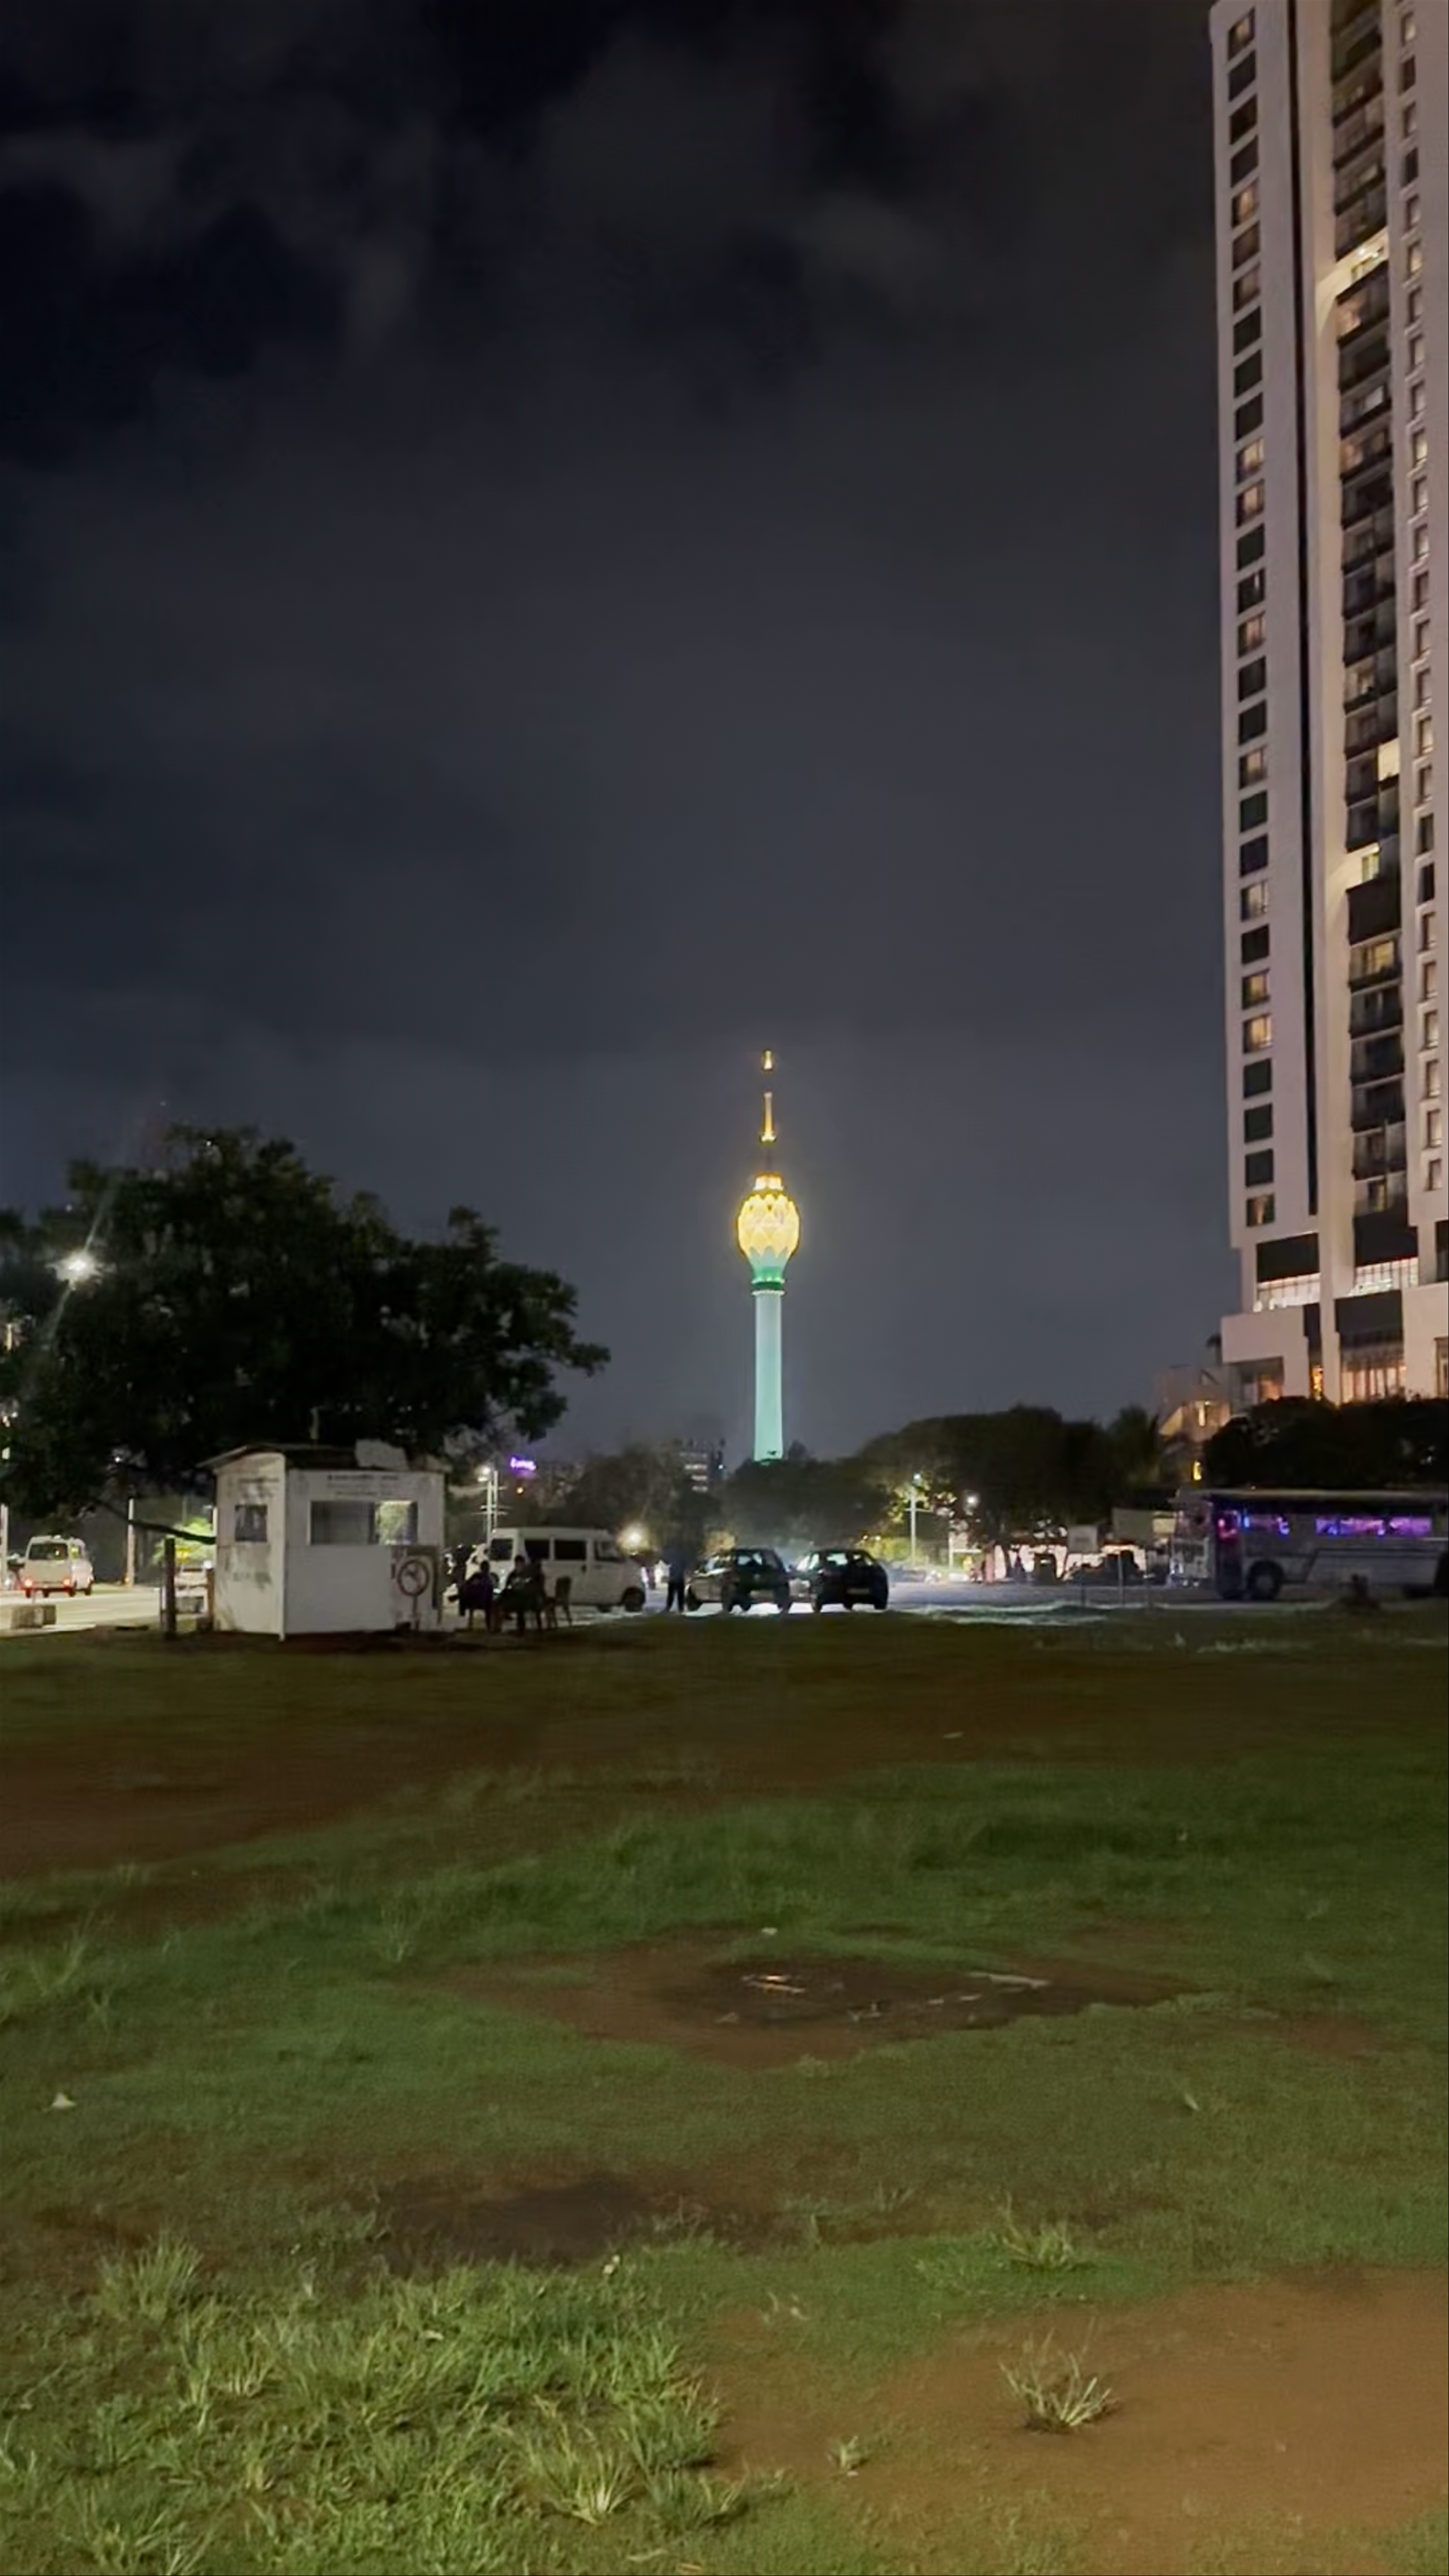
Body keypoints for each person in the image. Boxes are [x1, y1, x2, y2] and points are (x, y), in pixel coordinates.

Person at [663, 1537, 692, 1615]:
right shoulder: (683, 1554)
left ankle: (669, 1608)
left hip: (674, 1577)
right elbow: (686, 1565)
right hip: (679, 1577)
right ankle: (680, 1609)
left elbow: (667, 1561)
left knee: (672, 1595)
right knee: (680, 1595)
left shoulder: (673, 1554)